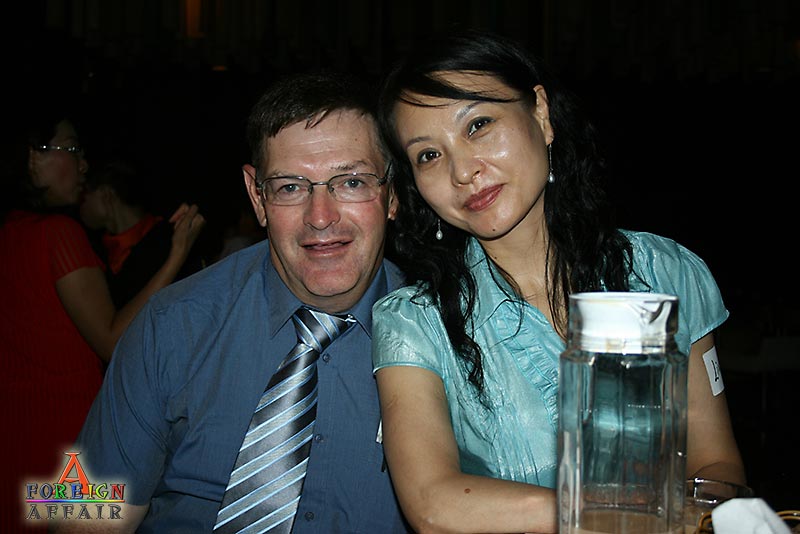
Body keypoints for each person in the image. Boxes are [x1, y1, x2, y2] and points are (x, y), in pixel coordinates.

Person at [371, 28, 747, 534]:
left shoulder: (662, 271)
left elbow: (716, 463)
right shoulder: (413, 322)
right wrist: (607, 517)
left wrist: (703, 513)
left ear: (541, 115)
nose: (462, 171)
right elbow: (433, 504)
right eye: (429, 155)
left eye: (478, 125)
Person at [58, 72, 410, 533]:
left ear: (391, 193)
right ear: (256, 197)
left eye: (351, 182)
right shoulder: (170, 324)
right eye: (290, 187)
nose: (321, 217)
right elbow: (80, 510)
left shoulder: (448, 337)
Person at [0, 107, 205, 533]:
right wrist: (177, 255)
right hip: (67, 436)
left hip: (17, 435)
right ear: (33, 157)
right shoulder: (57, 233)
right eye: (71, 149)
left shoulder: (12, 230)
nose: (83, 164)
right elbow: (111, 341)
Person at [79, 158, 207, 308]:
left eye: (84, 195)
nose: (79, 204)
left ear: (106, 194)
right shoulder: (98, 255)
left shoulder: (171, 237)